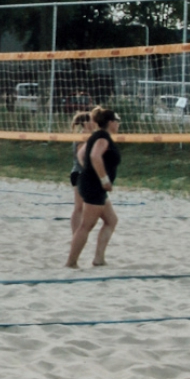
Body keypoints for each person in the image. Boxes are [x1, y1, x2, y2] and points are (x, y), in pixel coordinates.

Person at [66, 106, 120, 269]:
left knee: (111, 220)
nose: (119, 124)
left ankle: (99, 258)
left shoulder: (96, 136)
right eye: (117, 121)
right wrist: (103, 179)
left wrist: (88, 170)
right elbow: (94, 156)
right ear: (110, 122)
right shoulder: (102, 137)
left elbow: (81, 154)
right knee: (86, 226)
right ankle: (71, 262)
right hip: (94, 186)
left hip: (93, 184)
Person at [69, 110, 91, 234]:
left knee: (82, 207)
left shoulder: (89, 136)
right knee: (79, 207)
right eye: (92, 121)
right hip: (79, 173)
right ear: (86, 123)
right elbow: (81, 157)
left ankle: (78, 233)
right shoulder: (82, 137)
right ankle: (75, 233)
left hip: (82, 173)